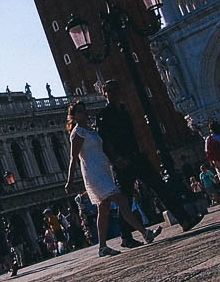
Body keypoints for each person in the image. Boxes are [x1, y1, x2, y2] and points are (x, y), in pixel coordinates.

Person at [96, 87, 200, 232]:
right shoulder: (103, 115)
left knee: (160, 187)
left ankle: (184, 219)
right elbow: (104, 141)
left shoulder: (124, 111)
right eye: (111, 92)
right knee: (126, 200)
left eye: (116, 91)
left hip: (137, 156)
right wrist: (116, 159)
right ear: (105, 94)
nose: (114, 94)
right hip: (122, 163)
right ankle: (126, 236)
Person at [64, 101, 156, 256]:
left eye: (84, 110)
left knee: (104, 209)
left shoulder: (91, 130)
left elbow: (103, 150)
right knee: (121, 200)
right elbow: (73, 158)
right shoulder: (78, 132)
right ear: (74, 116)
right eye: (80, 111)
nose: (84, 113)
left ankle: (102, 247)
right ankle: (145, 232)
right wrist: (70, 180)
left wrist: (115, 161)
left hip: (104, 170)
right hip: (94, 174)